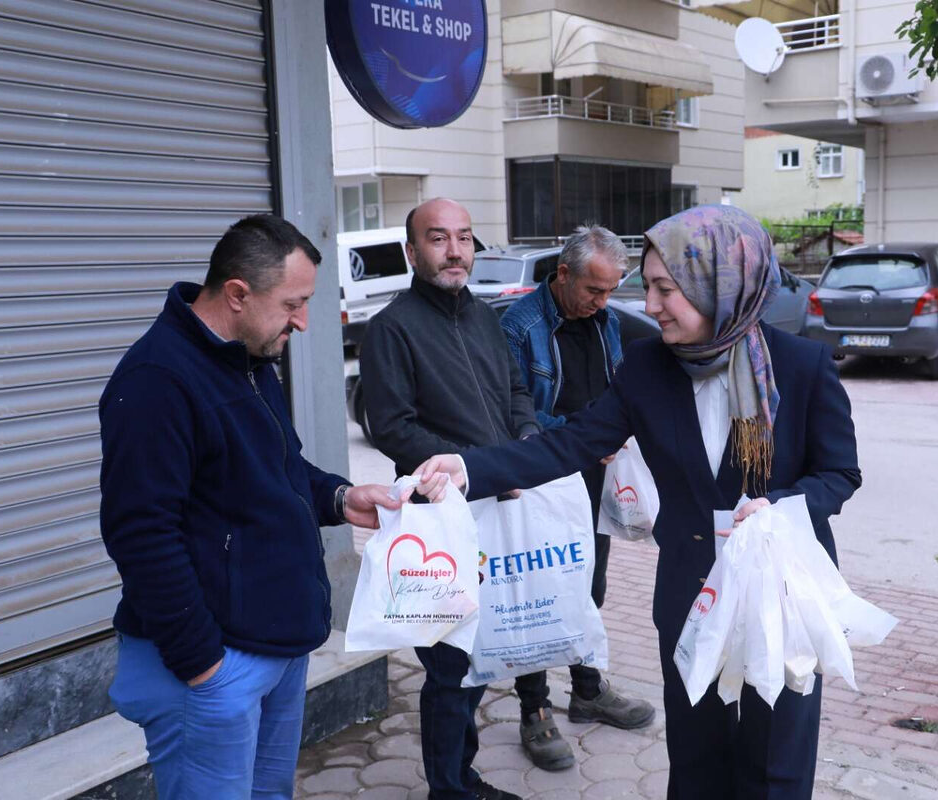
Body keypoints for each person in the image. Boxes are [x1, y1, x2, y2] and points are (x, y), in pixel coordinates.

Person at [413, 205, 861, 799]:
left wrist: (780, 506)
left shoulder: (800, 367)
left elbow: (839, 473)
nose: (648, 305)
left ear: (720, 286)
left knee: (776, 753)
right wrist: (470, 467)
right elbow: (570, 443)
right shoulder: (648, 366)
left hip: (780, 589)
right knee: (697, 753)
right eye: (645, 287)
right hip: (690, 589)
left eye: (664, 289)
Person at [99, 214, 400, 800]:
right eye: (294, 303)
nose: (304, 321)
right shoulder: (156, 380)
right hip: (212, 668)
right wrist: (205, 669)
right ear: (238, 294)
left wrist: (341, 497)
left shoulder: (250, 360)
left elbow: (278, 473)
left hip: (275, 648)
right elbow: (139, 534)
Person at [359, 198, 536, 800]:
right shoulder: (392, 327)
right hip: (436, 525)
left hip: (498, 510)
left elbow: (516, 391)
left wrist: (527, 445)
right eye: (438, 238)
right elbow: (392, 427)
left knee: (478, 657)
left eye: (464, 237)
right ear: (413, 252)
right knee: (447, 666)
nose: (455, 250)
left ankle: (463, 776)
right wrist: (482, 469)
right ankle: (450, 789)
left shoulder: (485, 318)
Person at [497, 225, 655, 770]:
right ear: (563, 274)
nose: (602, 301)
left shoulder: (605, 320)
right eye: (594, 289)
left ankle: (586, 690)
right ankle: (533, 710)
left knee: (588, 585)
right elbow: (513, 410)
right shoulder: (518, 326)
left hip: (595, 477)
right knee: (540, 590)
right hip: (544, 477)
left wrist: (619, 429)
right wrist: (583, 435)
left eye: (611, 290)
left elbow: (615, 389)